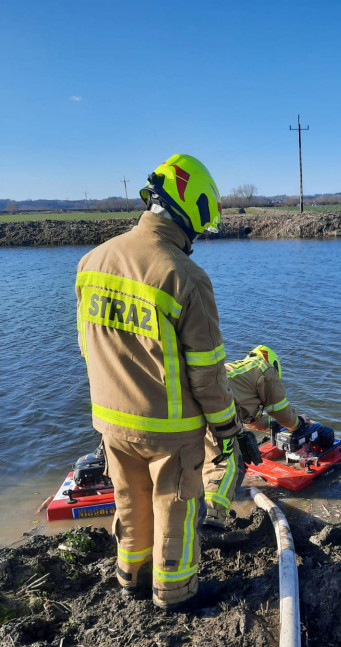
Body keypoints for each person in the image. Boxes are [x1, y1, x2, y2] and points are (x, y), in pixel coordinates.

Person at [75, 153, 241, 612]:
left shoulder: (92, 261)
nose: (197, 241)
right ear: (189, 213)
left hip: (110, 422)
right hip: (171, 433)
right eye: (198, 229)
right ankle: (175, 594)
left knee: (130, 505)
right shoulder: (185, 276)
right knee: (175, 512)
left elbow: (88, 348)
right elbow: (207, 374)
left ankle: (130, 580)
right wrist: (227, 431)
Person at [203, 344, 307, 527]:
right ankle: (211, 520)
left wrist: (273, 426)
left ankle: (202, 503)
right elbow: (281, 410)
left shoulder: (242, 374)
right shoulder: (265, 369)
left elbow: (253, 420)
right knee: (227, 465)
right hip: (217, 412)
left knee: (204, 462)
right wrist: (299, 424)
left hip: (198, 407)